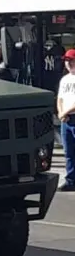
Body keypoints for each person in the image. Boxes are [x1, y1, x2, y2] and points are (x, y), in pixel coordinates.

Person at [56, 49, 75, 192]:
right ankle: (70, 180)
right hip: (66, 119)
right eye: (66, 61)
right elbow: (60, 98)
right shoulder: (64, 79)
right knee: (68, 151)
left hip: (72, 115)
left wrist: (65, 112)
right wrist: (61, 112)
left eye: (71, 60)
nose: (68, 63)